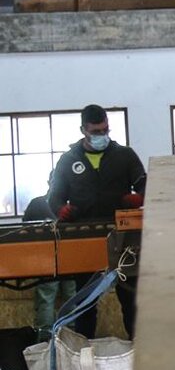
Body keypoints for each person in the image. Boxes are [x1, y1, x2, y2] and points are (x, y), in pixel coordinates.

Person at [47, 104, 146, 339]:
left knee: (131, 302)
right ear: (84, 130)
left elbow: (144, 184)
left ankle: (139, 352)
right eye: (96, 132)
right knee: (85, 304)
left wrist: (139, 197)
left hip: (123, 239)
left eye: (105, 130)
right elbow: (55, 197)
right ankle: (84, 355)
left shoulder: (125, 156)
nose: (102, 136)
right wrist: (61, 209)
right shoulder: (68, 161)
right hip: (84, 239)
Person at [22, 192, 76, 339]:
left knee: (46, 298)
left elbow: (24, 229)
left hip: (45, 258)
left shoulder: (37, 203)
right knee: (71, 297)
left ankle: (44, 342)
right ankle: (72, 339)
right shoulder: (73, 205)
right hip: (71, 256)